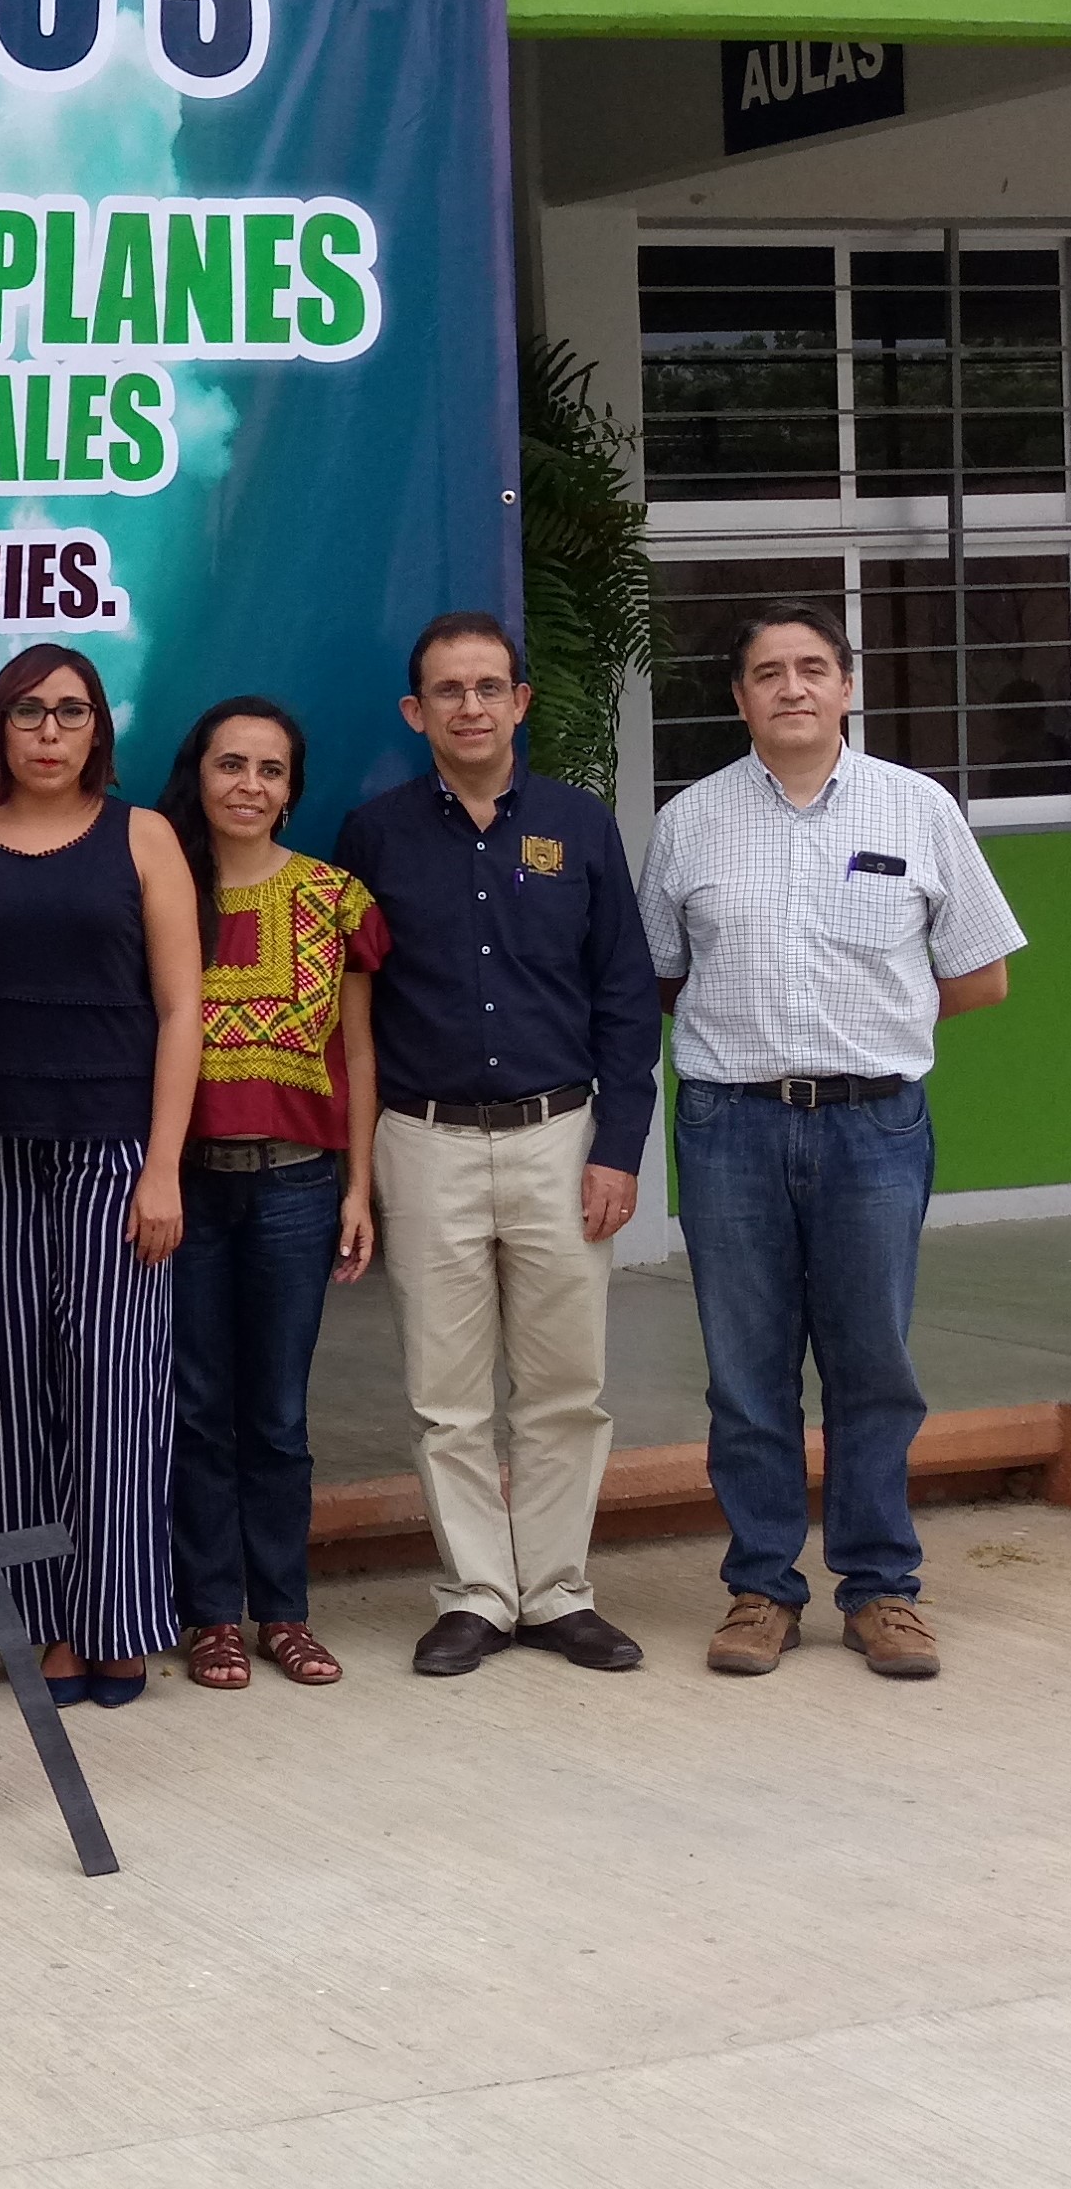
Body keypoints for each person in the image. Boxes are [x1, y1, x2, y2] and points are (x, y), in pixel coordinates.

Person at [641, 601, 1026, 1681]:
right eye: (769, 672)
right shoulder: (692, 821)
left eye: (814, 667)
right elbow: (663, 977)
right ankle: (761, 1588)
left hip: (875, 1124)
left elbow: (981, 973)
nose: (793, 687)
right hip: (731, 1127)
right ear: (740, 698)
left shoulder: (918, 808)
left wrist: (874, 1028)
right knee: (747, 1371)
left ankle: (881, 1589)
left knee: (873, 1364)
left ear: (848, 686)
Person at [334, 612, 660, 1678]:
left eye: (488, 687)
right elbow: (355, 1014)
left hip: (560, 1139)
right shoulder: (373, 836)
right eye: (447, 690)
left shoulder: (579, 824)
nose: (469, 707)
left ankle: (558, 1590)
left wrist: (619, 1144)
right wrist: (363, 1169)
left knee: (567, 1384)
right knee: (448, 1393)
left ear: (520, 701)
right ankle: (477, 1591)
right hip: (423, 1142)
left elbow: (623, 994)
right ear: (413, 711)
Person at [0, 645, 200, 1709]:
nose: (47, 730)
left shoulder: (145, 837)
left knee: (118, 1391)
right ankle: (38, 1628)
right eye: (27, 710)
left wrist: (164, 1166)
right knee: (6, 1392)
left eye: (69, 712)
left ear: (97, 731)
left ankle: (117, 1621)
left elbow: (181, 1009)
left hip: (116, 1151)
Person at [153, 697, 389, 1692]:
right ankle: (211, 1614)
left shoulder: (337, 898)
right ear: (197, 775)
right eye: (230, 764)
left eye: (270, 769)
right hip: (189, 1190)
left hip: (296, 1188)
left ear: (293, 789)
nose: (249, 785)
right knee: (198, 1407)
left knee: (279, 1415)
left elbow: (361, 1049)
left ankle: (283, 1611)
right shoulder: (160, 892)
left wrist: (358, 1184)